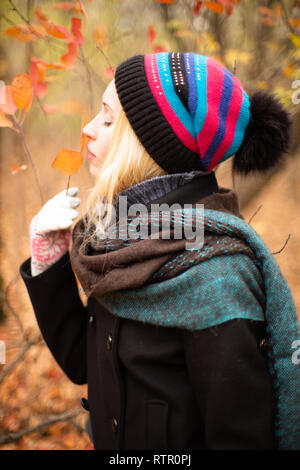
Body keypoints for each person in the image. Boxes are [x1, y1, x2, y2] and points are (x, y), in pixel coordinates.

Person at [19, 52, 300, 450]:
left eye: (107, 118)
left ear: (151, 144)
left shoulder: (216, 278)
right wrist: (49, 259)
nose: (87, 128)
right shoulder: (123, 241)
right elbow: (86, 365)